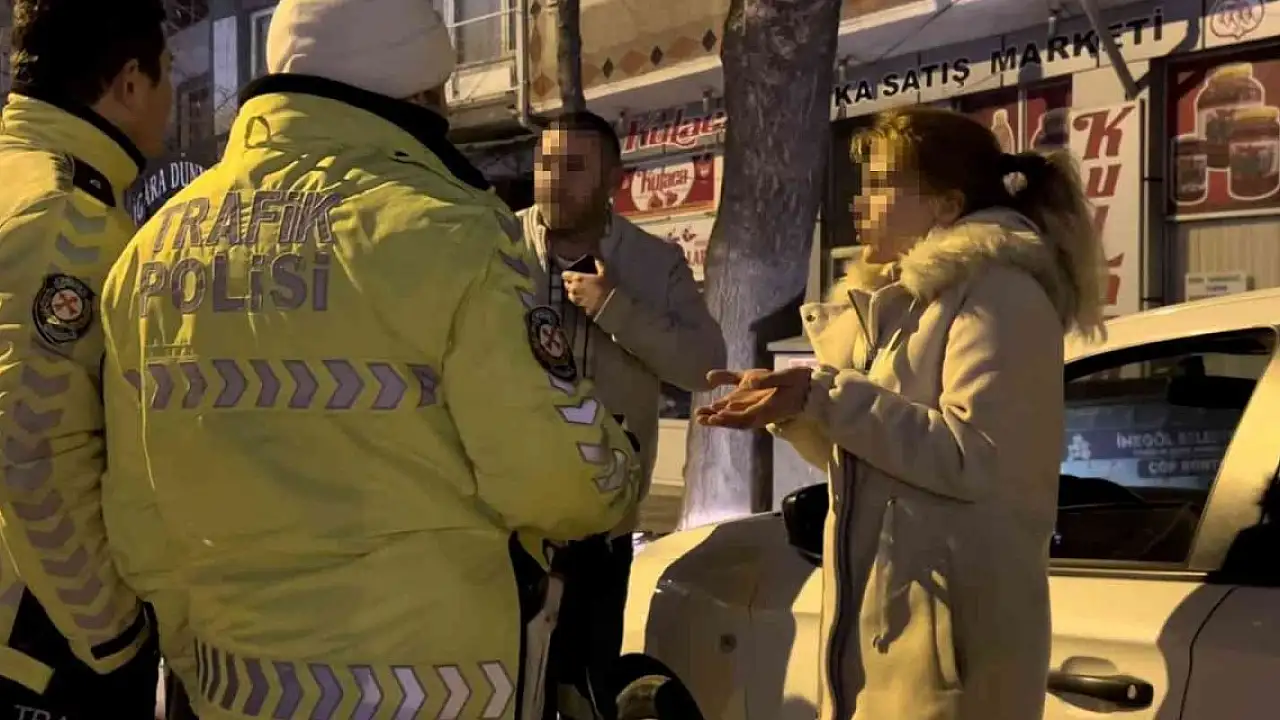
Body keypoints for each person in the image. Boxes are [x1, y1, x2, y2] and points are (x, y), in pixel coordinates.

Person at [98, 1, 642, 719]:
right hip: (430, 693)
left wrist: (205, 658)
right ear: (422, 92)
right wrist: (619, 467)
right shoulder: (449, 232)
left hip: (233, 690)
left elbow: (137, 523)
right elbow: (564, 483)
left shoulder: (150, 253)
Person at [696, 106, 1106, 720]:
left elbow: (973, 457)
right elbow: (870, 457)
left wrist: (823, 395)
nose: (859, 202)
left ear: (945, 204)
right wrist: (797, 409)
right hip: (884, 634)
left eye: (882, 184)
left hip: (951, 654)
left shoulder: (999, 295)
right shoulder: (906, 303)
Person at [517, 110, 725, 720]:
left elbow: (705, 367)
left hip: (601, 528)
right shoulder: (497, 247)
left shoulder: (653, 264)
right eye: (545, 164)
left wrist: (616, 307)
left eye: (573, 167)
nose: (553, 180)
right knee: (508, 690)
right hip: (508, 523)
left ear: (614, 179)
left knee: (586, 693)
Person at [0, 1, 171, 717]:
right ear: (130, 82)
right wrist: (114, 634)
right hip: (39, 645)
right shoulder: (67, 221)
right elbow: (29, 453)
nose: (169, 99)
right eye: (168, 75)